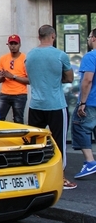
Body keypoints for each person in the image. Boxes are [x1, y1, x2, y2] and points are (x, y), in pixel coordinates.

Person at [26, 24, 76, 190]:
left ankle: (33, 177)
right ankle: (61, 178)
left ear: (39, 36)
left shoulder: (30, 55)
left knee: (34, 142)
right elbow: (69, 78)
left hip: (35, 105)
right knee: (59, 142)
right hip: (55, 105)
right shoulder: (60, 55)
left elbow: (31, 77)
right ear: (53, 36)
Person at [72, 29, 96, 179]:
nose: (88, 40)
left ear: (94, 38)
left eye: (89, 37)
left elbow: (87, 80)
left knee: (79, 126)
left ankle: (90, 162)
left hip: (91, 101)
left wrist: (82, 103)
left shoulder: (91, 56)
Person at [0, 34, 29, 123]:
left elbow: (29, 80)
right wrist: (1, 77)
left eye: (15, 44)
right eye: (11, 44)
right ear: (8, 44)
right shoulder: (3, 58)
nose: (13, 46)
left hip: (20, 94)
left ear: (20, 45)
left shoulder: (25, 59)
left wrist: (13, 77)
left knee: (18, 120)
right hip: (5, 93)